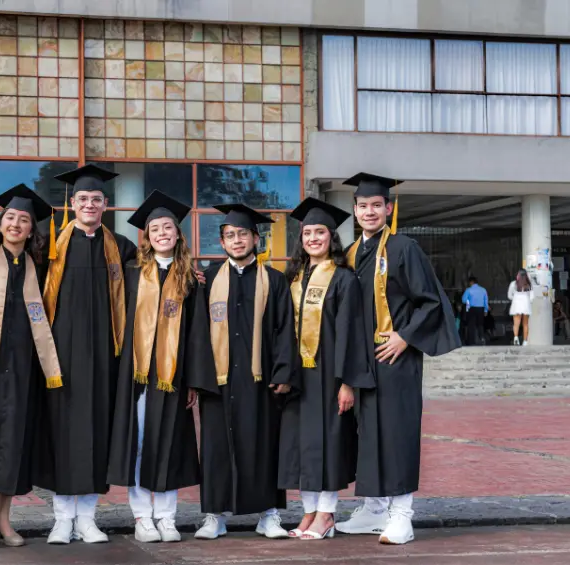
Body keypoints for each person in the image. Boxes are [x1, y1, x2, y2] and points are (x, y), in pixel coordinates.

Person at [335, 173, 460, 545]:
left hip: (395, 359)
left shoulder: (405, 248)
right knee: (367, 434)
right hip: (362, 361)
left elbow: (430, 301)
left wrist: (405, 336)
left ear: (388, 208)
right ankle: (374, 509)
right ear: (355, 210)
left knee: (397, 434)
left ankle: (402, 515)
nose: (369, 212)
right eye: (363, 206)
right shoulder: (350, 253)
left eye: (376, 205)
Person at [107, 191, 216, 543]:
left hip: (173, 374)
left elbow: (198, 333)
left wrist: (193, 380)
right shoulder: (132, 272)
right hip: (136, 373)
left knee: (169, 443)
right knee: (138, 442)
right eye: (155, 229)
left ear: (178, 233)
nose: (162, 233)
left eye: (167, 227)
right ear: (147, 236)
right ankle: (142, 517)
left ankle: (167, 518)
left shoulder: (190, 279)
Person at [43, 164, 138, 544]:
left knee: (96, 435)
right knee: (61, 436)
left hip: (103, 360)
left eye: (96, 199)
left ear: (105, 205)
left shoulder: (122, 248)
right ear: (72, 203)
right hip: (61, 358)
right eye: (82, 198)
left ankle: (86, 519)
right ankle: (61, 519)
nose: (89, 204)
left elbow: (153, 280)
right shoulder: (50, 247)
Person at [0, 184, 62, 548]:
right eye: (10, 217)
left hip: (24, 369)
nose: (16, 224)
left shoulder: (41, 267)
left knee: (14, 442)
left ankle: (4, 518)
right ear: (0, 222)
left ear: (31, 228)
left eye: (24, 219)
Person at [195, 204, 297, 541]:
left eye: (242, 234)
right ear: (222, 242)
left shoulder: (275, 280)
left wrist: (283, 373)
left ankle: (269, 514)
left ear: (256, 238)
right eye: (230, 236)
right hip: (218, 380)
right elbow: (196, 332)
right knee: (216, 448)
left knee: (264, 445)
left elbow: (285, 329)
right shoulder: (208, 279)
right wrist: (198, 377)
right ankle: (214, 516)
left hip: (260, 379)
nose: (237, 240)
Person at [279, 198, 375, 541]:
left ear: (331, 237)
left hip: (330, 375)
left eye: (320, 232)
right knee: (301, 446)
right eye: (307, 233)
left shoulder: (343, 279)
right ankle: (309, 512)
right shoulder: (293, 278)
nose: (313, 238)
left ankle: (326, 514)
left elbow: (352, 333)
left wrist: (347, 382)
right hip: (299, 377)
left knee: (329, 444)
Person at [508, 269, 534, 346]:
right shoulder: (529, 284)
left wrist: (515, 298)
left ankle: (516, 338)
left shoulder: (513, 284)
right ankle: (525, 341)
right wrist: (527, 300)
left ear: (518, 275)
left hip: (516, 305)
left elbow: (509, 296)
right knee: (525, 324)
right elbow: (532, 298)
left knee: (516, 324)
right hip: (526, 305)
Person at [461, 276, 489, 346]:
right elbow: (486, 301)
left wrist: (468, 301)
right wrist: (486, 310)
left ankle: (471, 341)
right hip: (481, 308)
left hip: (472, 309)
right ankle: (482, 338)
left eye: (469, 283)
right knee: (480, 324)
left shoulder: (468, 290)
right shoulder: (483, 290)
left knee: (471, 325)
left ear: (471, 282)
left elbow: (463, 300)